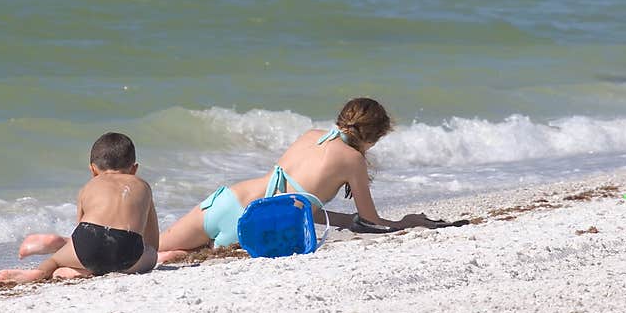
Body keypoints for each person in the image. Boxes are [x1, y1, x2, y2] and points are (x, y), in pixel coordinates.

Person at [157, 97, 449, 263]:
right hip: (258, 224)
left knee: (148, 249)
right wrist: (408, 221)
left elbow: (292, 196)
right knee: (179, 256)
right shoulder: (353, 160)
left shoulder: (310, 135)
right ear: (373, 136)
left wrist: (344, 221)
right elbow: (370, 221)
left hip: (228, 200)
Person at [0, 132, 159, 283]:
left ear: (93, 170)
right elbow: (152, 238)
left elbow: (79, 230)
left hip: (89, 242)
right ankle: (85, 270)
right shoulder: (143, 186)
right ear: (134, 169)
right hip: (126, 251)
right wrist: (150, 253)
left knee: (56, 260)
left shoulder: (88, 186)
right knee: (150, 255)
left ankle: (38, 273)